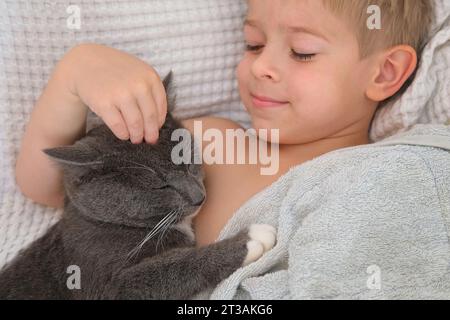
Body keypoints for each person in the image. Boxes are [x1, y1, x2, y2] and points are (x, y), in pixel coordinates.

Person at [15, 0, 434, 248]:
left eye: (302, 52)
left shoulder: (406, 169)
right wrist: (75, 73)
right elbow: (50, 187)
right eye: (253, 44)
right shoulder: (208, 144)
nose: (262, 66)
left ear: (385, 73)